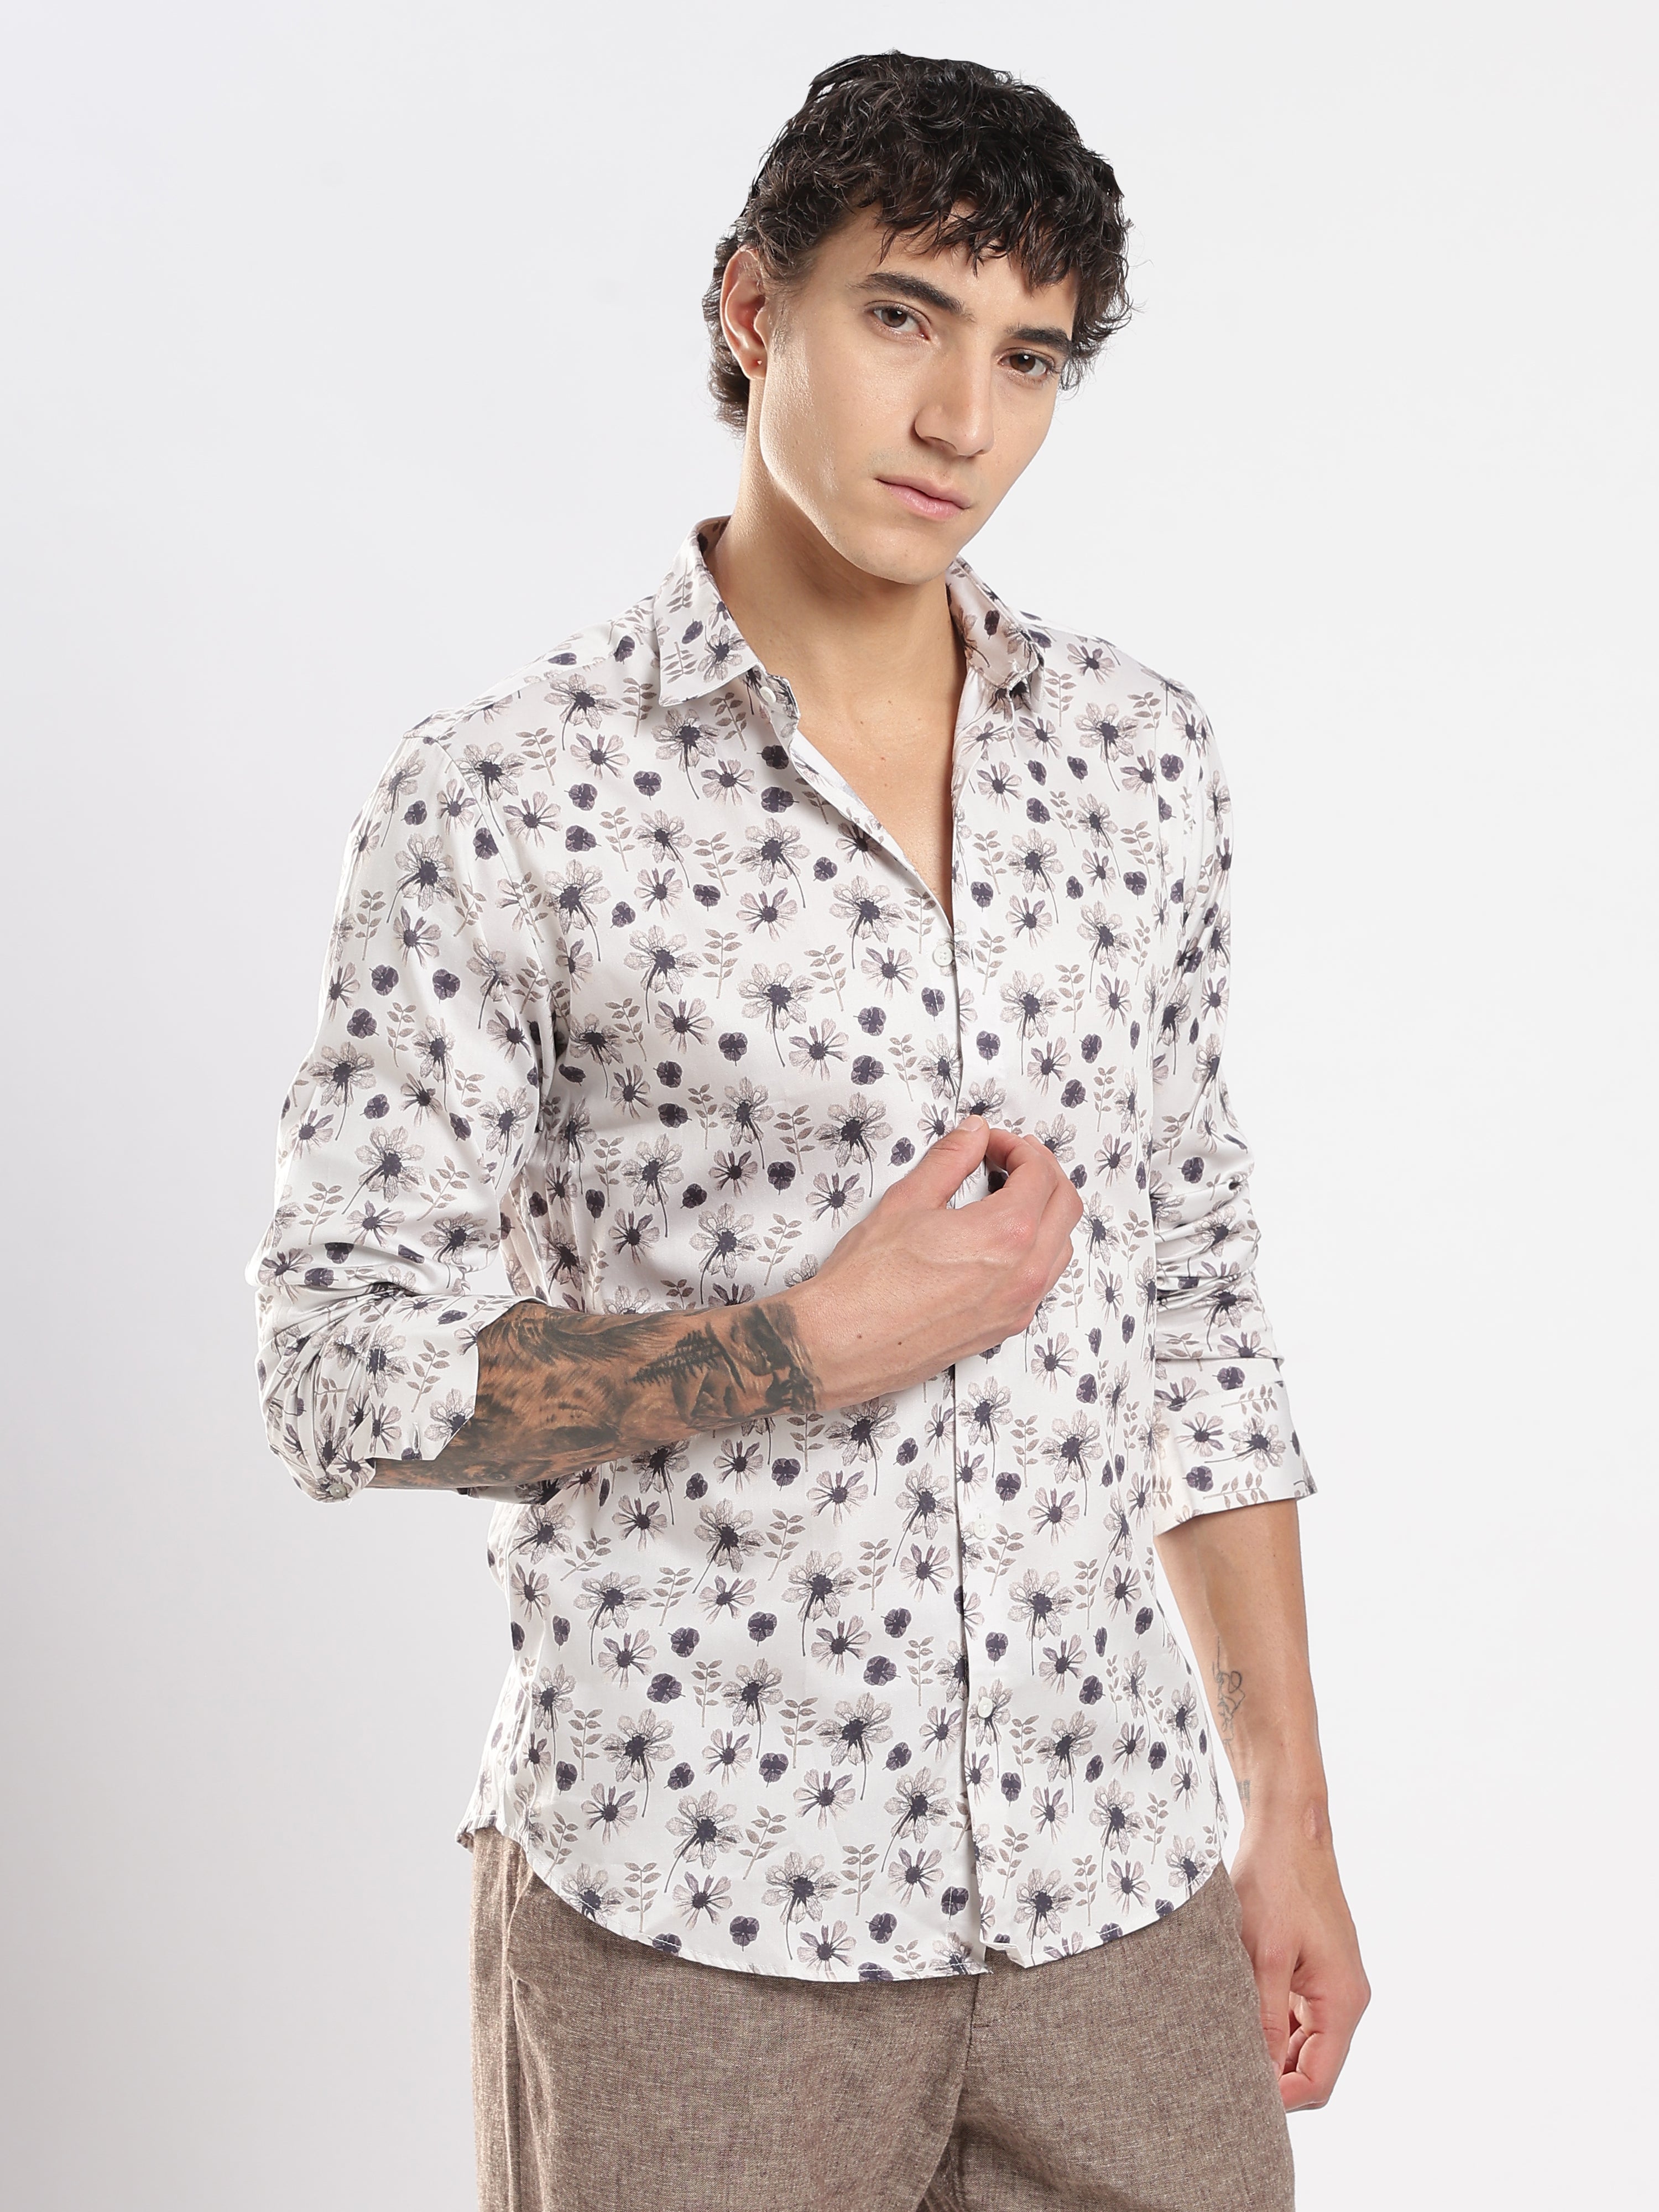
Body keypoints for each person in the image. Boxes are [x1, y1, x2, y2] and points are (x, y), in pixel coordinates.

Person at [248, 48, 1369, 2212]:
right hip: (696, 1900)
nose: (962, 420)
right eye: (904, 318)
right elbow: (334, 1370)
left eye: (1029, 358)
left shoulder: (1139, 761)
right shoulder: (513, 796)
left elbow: (1200, 1319)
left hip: (1108, 1881)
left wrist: (1289, 1817)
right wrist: (802, 1345)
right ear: (754, 308)